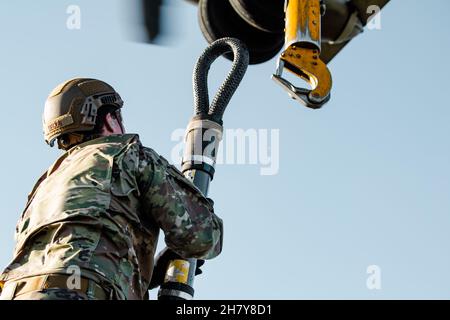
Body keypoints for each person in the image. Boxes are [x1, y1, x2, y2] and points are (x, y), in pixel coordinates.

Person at [0, 78, 223, 300]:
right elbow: (201, 237)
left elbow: (71, 253)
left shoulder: (45, 184)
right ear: (109, 119)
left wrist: (148, 274)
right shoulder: (127, 153)